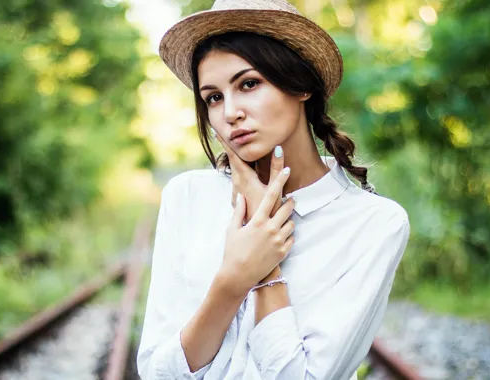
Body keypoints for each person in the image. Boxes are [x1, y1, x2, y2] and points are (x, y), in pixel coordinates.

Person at [136, 0, 410, 379]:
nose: (230, 112)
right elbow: (157, 372)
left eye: (248, 84)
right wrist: (233, 280)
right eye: (213, 97)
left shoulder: (375, 224)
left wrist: (266, 267)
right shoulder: (186, 198)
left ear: (300, 85)